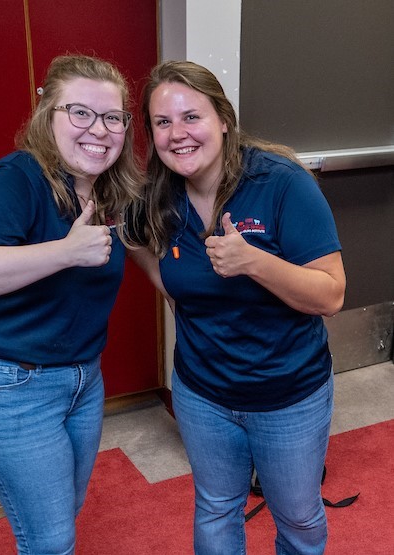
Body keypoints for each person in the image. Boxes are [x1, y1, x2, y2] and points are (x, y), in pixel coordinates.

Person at [132, 60, 346, 555]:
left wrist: (254, 262)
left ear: (224, 119)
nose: (178, 134)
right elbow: (137, 245)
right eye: (163, 122)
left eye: (192, 117)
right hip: (202, 393)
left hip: (289, 395)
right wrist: (177, 295)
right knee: (215, 507)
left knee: (298, 517)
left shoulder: (281, 183)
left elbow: (331, 295)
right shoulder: (157, 196)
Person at [0, 54, 141, 555]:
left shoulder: (107, 191)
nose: (99, 129)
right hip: (9, 385)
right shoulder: (18, 177)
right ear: (47, 113)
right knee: (50, 539)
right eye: (80, 112)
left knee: (63, 514)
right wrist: (65, 252)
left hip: (82, 379)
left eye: (112, 117)